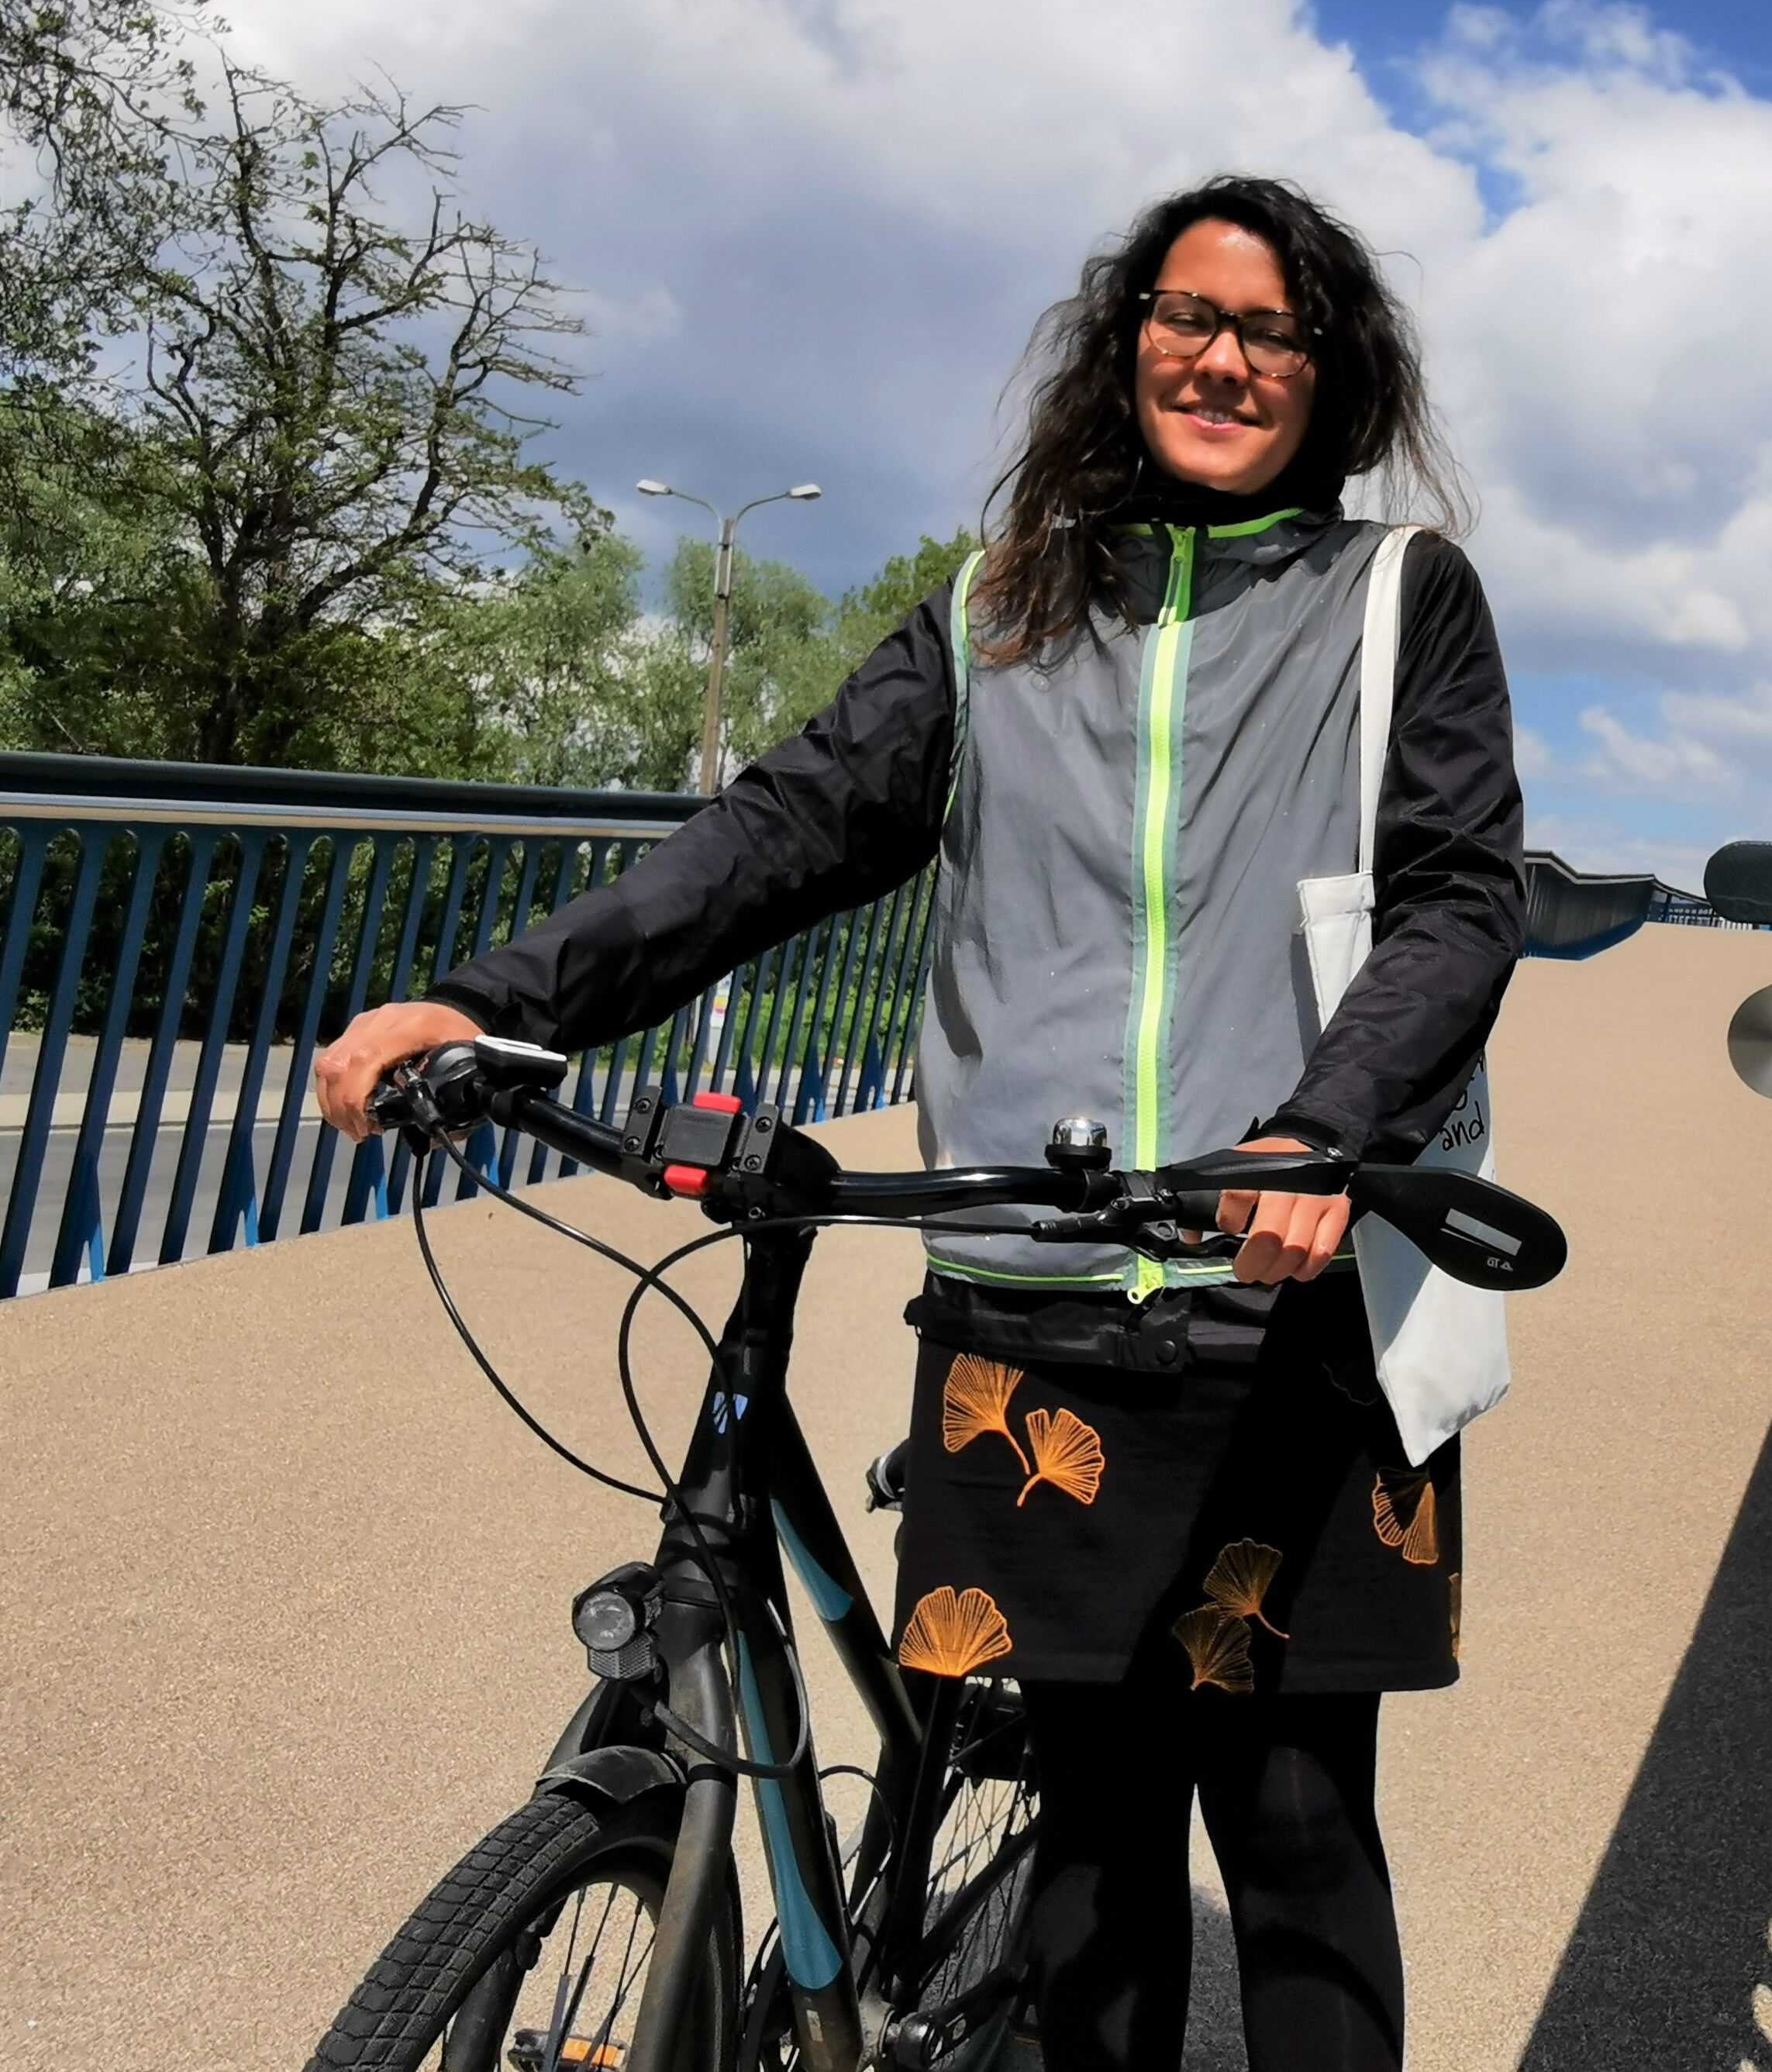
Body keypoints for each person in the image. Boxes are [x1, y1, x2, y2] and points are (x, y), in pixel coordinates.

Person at [313, 174, 1527, 2072]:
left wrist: (1323, 1131)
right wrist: (493, 1005)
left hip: (1281, 1293)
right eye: (1188, 316)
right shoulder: (999, 608)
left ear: (1332, 370)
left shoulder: (1396, 599)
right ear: (1127, 339)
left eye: (1271, 330)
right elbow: (784, 832)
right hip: (1029, 1302)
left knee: (1292, 1829)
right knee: (1093, 1836)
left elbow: (1459, 897)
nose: (1222, 358)